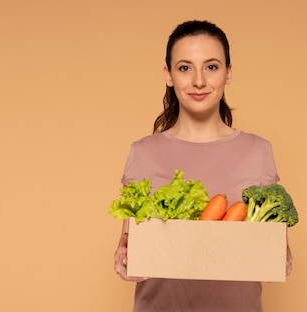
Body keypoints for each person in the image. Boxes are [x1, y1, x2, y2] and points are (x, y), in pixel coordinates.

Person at [113, 20, 293, 311]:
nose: (199, 80)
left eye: (211, 67)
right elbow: (129, 248)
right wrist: (123, 260)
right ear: (168, 75)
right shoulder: (143, 153)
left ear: (229, 72)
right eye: (185, 67)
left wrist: (279, 256)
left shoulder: (258, 152)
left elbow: (272, 251)